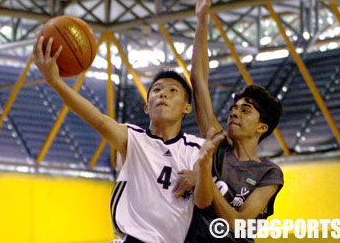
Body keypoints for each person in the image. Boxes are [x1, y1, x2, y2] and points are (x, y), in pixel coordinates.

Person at [33, 38, 222, 243]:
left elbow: (203, 202)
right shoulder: (133, 138)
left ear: (187, 108)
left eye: (172, 91)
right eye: (156, 90)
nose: (163, 94)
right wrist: (56, 82)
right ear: (147, 107)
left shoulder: (198, 148)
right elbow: (96, 118)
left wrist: (203, 171)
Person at [177, 0, 285, 242]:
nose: (234, 112)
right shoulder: (216, 146)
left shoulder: (269, 173)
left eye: (245, 110)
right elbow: (198, 81)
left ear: (262, 127)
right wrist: (202, 20)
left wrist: (205, 182)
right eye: (235, 108)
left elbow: (238, 225)